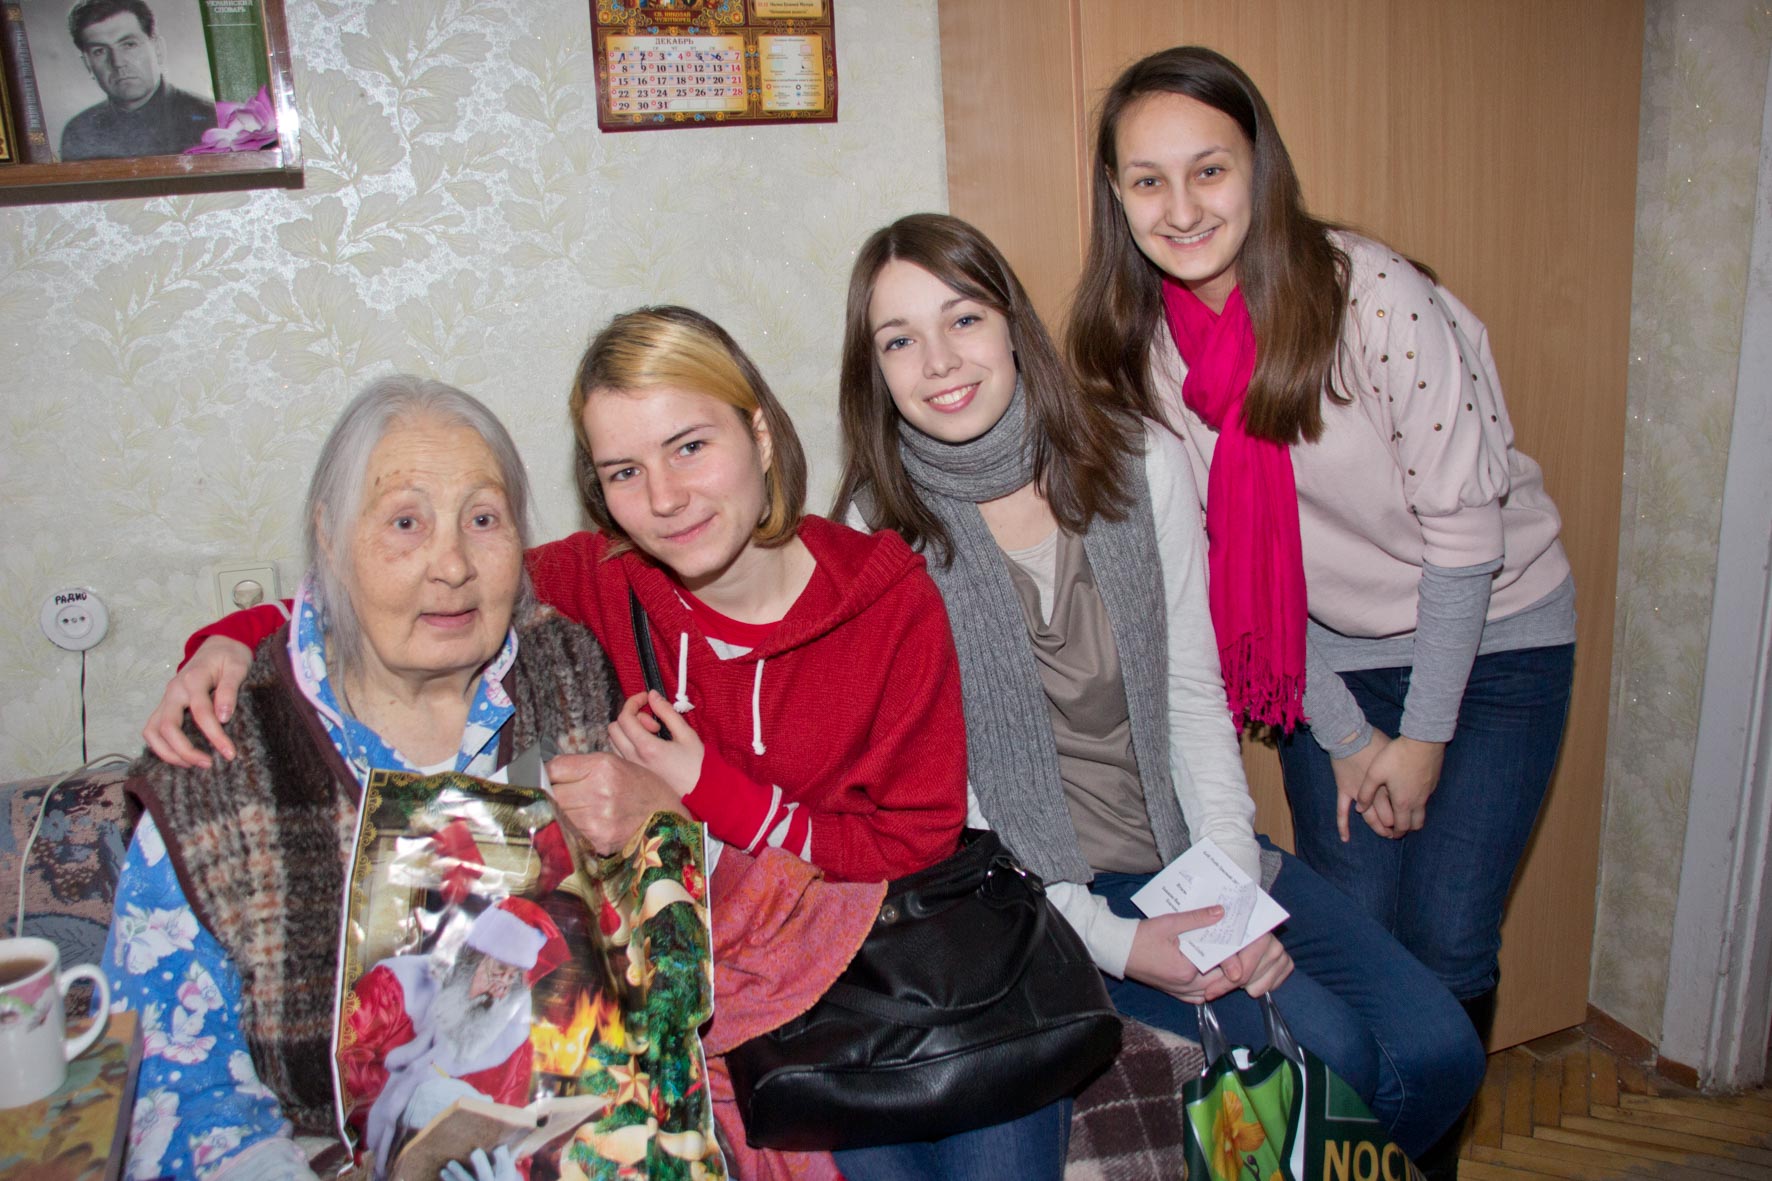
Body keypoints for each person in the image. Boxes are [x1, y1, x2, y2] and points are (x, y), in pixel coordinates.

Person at [150, 309, 1073, 1180]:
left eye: (690, 446)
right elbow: (428, 588)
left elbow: (917, 837)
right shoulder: (597, 587)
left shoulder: (883, 598)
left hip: (897, 963)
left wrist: (707, 794)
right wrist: (232, 639)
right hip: (755, 1012)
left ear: (758, 434)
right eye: (624, 471)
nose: (665, 499)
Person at [835, 212, 1485, 1161]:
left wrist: (1230, 887)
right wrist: (1122, 943)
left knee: (1441, 1052)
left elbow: (1191, 694)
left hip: (1184, 846)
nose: (939, 360)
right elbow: (946, 808)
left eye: (963, 318)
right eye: (899, 340)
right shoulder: (874, 537)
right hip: (1040, 898)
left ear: (1012, 323)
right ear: (875, 370)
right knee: (1335, 1053)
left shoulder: (1133, 459)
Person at [1065, 46, 1577, 1176]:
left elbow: (1465, 534)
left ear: (1261, 166)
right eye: (1147, 180)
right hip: (1313, 667)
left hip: (1492, 641)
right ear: (1115, 194)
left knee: (1447, 938)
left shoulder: (1369, 294)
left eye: (1209, 169)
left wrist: (1422, 737)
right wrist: (1344, 734)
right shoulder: (1139, 351)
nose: (1180, 207)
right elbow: (1220, 572)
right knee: (1355, 942)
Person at [106, 377, 707, 1181]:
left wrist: (668, 819)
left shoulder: (569, 668)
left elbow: (656, 972)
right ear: (329, 538)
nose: (452, 564)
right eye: (405, 522)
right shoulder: (216, 763)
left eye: (483, 519)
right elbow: (181, 1099)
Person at [352, 900, 568, 1176]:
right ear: (468, 959)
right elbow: (340, 1080)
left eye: (512, 979)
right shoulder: (394, 986)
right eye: (498, 971)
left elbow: (514, 1142)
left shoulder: (512, 1038)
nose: (499, 991)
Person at [59, 0, 215, 161]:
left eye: (129, 45)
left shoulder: (211, 119)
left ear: (158, 49)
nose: (118, 63)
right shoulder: (78, 132)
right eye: (99, 51)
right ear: (88, 65)